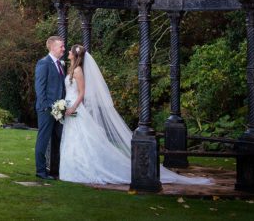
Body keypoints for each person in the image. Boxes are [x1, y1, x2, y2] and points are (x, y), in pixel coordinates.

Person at [59, 44, 211, 185]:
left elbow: (82, 93)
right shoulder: (71, 68)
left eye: (70, 51)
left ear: (75, 55)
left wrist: (72, 107)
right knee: (73, 138)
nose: (68, 53)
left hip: (75, 109)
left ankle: (84, 168)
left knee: (81, 138)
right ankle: (73, 167)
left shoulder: (78, 71)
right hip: (68, 107)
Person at [33, 35, 65, 180]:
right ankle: (41, 171)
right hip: (46, 109)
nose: (64, 49)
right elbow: (40, 88)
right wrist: (47, 106)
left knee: (58, 139)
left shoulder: (60, 64)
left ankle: (54, 170)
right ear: (52, 47)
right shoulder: (44, 63)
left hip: (59, 110)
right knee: (43, 140)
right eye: (61, 46)